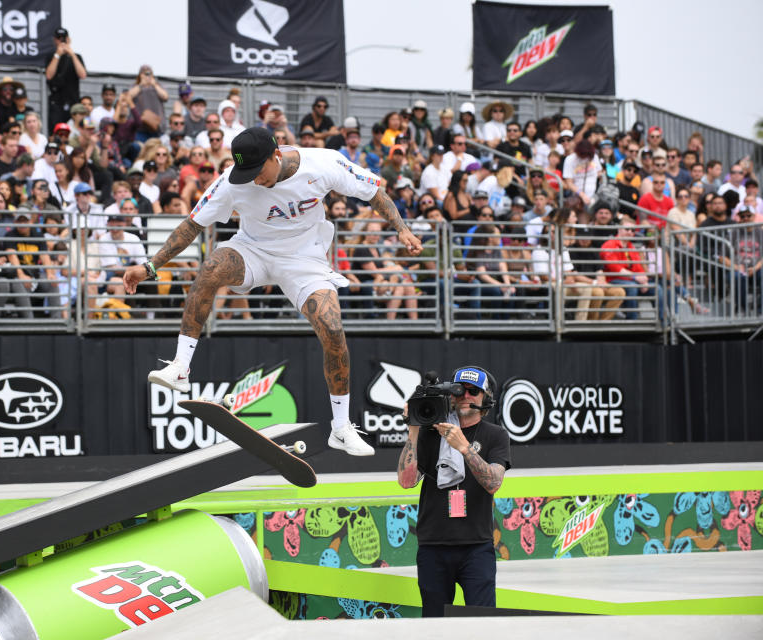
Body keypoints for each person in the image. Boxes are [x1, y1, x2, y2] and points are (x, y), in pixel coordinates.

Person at [122, 127, 423, 456]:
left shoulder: (324, 164)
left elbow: (374, 192)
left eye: (257, 171)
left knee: (333, 329)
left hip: (304, 259)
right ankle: (180, 367)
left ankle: (340, 427)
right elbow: (192, 224)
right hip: (253, 251)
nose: (253, 180)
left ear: (276, 156)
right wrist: (150, 266)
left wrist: (402, 230)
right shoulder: (231, 182)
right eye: (245, 174)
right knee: (210, 268)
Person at [397, 366, 510, 614]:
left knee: (483, 622)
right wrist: (414, 427)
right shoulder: (430, 432)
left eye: (473, 391)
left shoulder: (496, 435)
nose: (466, 396)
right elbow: (406, 480)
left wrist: (464, 447)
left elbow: (494, 483)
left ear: (486, 398)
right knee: (435, 623)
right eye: (459, 391)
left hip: (476, 546)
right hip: (433, 546)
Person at [46, 27, 87, 132]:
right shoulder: (51, 57)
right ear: (55, 40)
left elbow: (82, 74)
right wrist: (58, 55)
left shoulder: (76, 57)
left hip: (73, 102)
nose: (61, 41)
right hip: (57, 103)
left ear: (68, 39)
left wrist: (72, 54)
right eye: (59, 38)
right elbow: (49, 75)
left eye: (64, 38)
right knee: (56, 131)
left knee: (75, 130)